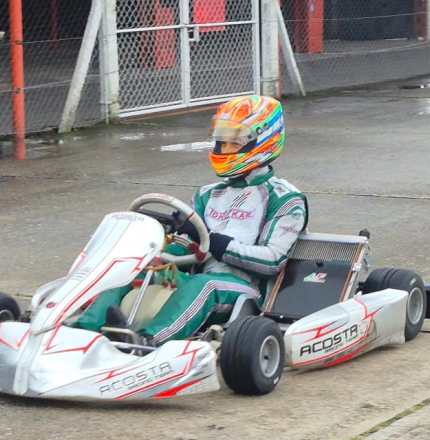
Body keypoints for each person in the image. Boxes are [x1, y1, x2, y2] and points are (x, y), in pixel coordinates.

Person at [76, 95, 308, 344]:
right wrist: (161, 252)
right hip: (195, 276)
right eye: (221, 142)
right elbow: (190, 247)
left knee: (204, 285)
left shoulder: (285, 198)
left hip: (244, 289)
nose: (223, 149)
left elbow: (273, 260)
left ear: (262, 141)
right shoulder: (208, 194)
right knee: (130, 272)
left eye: (233, 142)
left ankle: (147, 342)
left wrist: (219, 244)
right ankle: (81, 333)